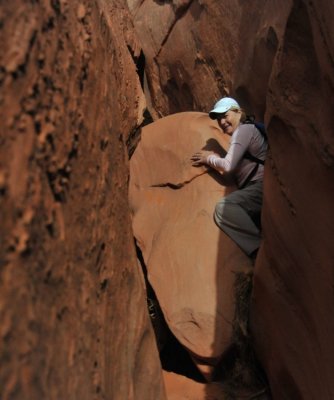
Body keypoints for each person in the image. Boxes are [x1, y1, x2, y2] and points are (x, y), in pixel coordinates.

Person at [191, 97, 267, 259]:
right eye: (219, 119)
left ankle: (259, 251)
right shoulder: (244, 132)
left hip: (261, 186)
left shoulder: (244, 131)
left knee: (224, 208)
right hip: (257, 188)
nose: (222, 122)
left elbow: (227, 165)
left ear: (238, 112)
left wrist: (208, 158)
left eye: (225, 116)